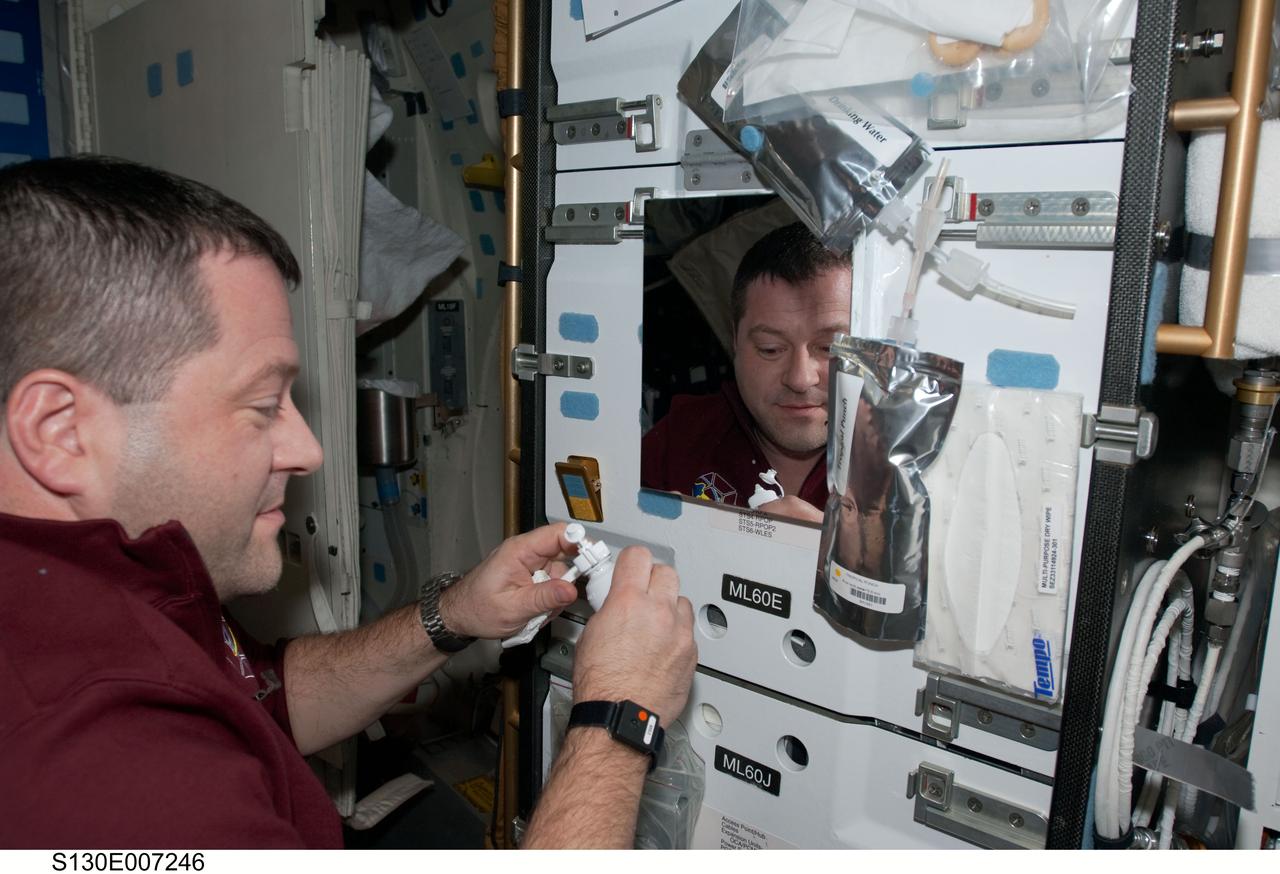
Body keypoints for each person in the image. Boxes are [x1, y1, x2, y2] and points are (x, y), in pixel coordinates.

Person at [0, 156, 696, 849]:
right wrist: (617, 716)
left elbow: (264, 697)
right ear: (60, 431)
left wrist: (453, 615)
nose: (307, 449)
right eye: (263, 403)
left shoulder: (94, 595)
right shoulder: (100, 770)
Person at [641, 223, 851, 524]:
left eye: (831, 348)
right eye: (770, 348)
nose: (800, 378)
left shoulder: (903, 465)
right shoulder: (677, 442)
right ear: (735, 341)